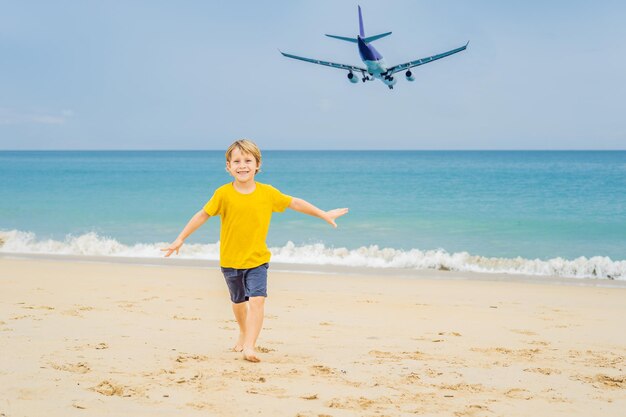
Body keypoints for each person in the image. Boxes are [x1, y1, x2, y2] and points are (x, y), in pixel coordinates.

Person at [162, 139, 348, 362]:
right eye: (237, 161)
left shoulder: (267, 193)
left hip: (257, 260)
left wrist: (323, 214)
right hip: (230, 261)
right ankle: (243, 330)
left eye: (248, 160)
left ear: (258, 165)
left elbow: (295, 203)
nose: (243, 165)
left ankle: (250, 346)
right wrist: (180, 239)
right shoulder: (222, 194)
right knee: (238, 302)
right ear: (228, 167)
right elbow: (203, 214)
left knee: (257, 300)